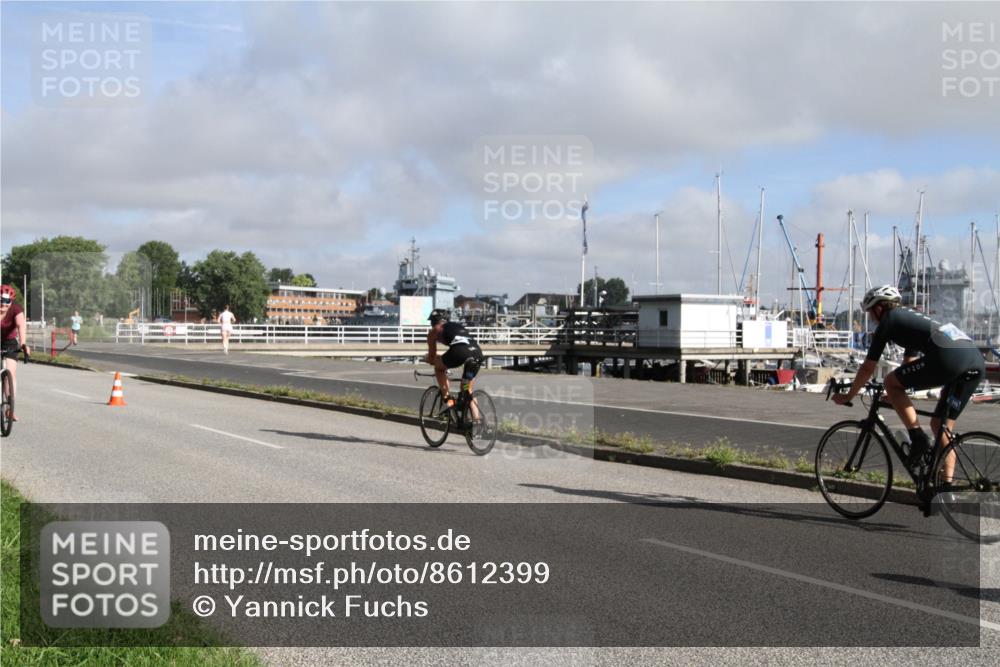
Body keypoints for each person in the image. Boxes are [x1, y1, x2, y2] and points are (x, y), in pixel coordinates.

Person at [834, 285, 986, 473]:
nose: (871, 318)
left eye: (870, 312)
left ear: (879, 308)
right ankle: (945, 486)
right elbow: (909, 364)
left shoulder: (889, 320)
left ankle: (918, 438)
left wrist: (849, 395)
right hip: (974, 360)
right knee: (941, 426)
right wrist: (895, 395)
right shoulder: (911, 318)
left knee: (890, 381)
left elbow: (867, 368)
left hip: (949, 359)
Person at [424, 309, 484, 415]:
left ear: (432, 322)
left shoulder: (435, 330)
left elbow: (432, 356)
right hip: (477, 353)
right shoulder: (457, 326)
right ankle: (477, 420)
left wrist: (427, 359)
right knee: (467, 389)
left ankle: (447, 399)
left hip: (459, 353)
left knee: (439, 368)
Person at [0, 285, 30, 421]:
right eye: (1, 300)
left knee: (10, 373)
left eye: (7, 301)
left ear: (11, 301)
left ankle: (9, 409)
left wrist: (23, 344)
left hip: (9, 342)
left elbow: (21, 326)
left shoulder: (16, 309)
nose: (3, 304)